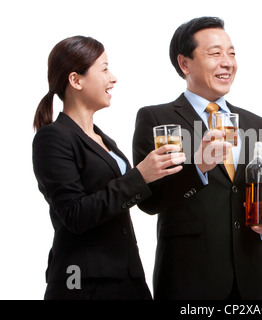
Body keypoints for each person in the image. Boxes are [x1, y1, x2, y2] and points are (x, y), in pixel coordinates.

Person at [132, 16, 262, 300]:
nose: (227, 62)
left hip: (251, 278)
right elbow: (149, 200)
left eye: (231, 53)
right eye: (215, 53)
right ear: (184, 63)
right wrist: (198, 167)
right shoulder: (157, 119)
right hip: (189, 280)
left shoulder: (255, 123)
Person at [32, 36, 186, 300]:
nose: (112, 78)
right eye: (104, 69)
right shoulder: (53, 137)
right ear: (76, 80)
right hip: (82, 282)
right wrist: (140, 176)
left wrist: (186, 169)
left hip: (127, 277)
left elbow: (123, 198)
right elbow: (74, 214)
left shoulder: (104, 140)